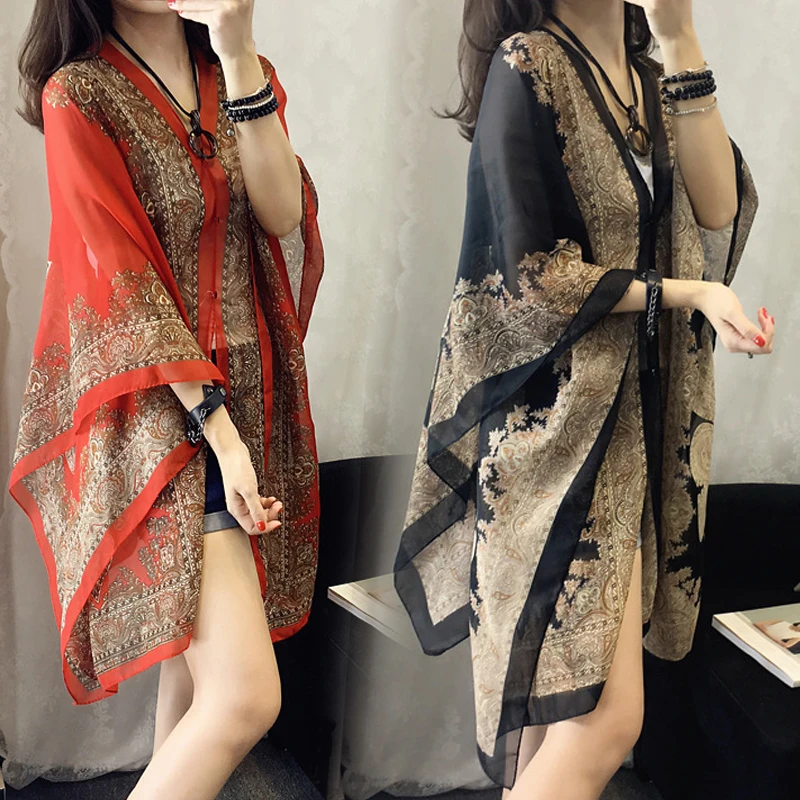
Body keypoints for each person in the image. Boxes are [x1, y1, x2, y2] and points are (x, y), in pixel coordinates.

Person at [393, 1, 771, 798]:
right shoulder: (526, 63)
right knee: (605, 720)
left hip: (637, 433)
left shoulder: (651, 76)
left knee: (553, 729)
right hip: (551, 445)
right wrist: (687, 294)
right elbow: (530, 279)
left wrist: (681, 38)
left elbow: (717, 214)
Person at [10, 1, 323, 797]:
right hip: (162, 414)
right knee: (243, 698)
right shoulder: (80, 94)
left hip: (252, 395)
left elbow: (283, 213)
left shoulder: (236, 74)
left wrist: (239, 50)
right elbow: (121, 281)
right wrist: (220, 435)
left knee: (192, 691)